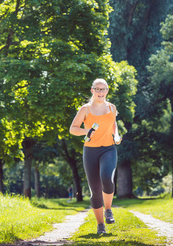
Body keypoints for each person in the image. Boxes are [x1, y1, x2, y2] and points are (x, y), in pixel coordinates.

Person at [69, 78, 122, 235]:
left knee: (107, 177)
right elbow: (73, 129)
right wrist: (86, 131)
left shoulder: (112, 107)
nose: (100, 92)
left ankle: (108, 210)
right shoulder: (85, 109)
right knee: (95, 190)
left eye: (103, 89)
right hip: (90, 151)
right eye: (97, 89)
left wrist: (116, 136)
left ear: (107, 91)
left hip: (108, 149)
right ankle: (100, 225)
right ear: (92, 91)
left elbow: (113, 123)